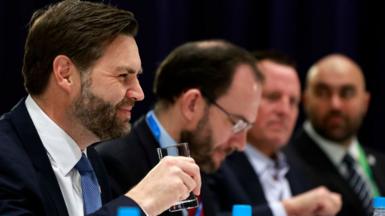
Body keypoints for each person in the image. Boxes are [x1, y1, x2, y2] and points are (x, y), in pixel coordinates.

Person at [0, 1, 201, 216]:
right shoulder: (5, 157)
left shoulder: (89, 161)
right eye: (123, 76)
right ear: (65, 74)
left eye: (137, 77)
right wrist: (141, 201)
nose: (139, 93)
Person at [95, 39, 263, 215]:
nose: (241, 144)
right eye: (237, 124)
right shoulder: (111, 164)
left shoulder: (202, 158)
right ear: (192, 104)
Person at [211, 51, 342, 216]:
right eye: (273, 97)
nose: (284, 111)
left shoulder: (304, 167)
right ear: (243, 99)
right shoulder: (214, 162)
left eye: (293, 102)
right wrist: (287, 210)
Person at [292, 54, 385, 216]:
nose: (335, 104)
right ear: (305, 99)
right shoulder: (286, 165)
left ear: (365, 102)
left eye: (346, 93)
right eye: (323, 92)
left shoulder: (380, 163)